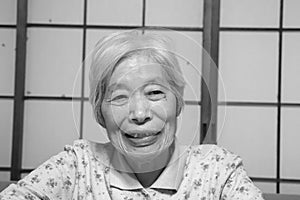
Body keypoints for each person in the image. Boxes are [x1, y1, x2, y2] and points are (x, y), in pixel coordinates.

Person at [0, 30, 264, 200]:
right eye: (119, 97)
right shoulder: (79, 165)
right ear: (99, 113)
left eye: (154, 93)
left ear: (178, 103)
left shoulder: (218, 171)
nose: (139, 114)